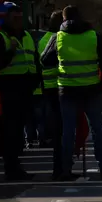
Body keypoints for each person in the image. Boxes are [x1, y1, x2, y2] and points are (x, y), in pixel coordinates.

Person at [40, 5, 102, 181]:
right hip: (91, 89)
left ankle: (65, 169)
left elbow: (45, 59)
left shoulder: (58, 37)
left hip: (67, 89)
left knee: (68, 131)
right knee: (97, 130)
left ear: (63, 19)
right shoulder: (94, 36)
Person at [0, 3, 42, 181]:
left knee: (19, 129)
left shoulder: (27, 36)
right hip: (10, 88)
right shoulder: (0, 38)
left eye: (21, 18)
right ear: (8, 19)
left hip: (25, 89)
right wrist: (10, 51)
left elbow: (35, 60)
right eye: (15, 18)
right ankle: (11, 167)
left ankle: (17, 166)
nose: (19, 22)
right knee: (11, 130)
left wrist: (36, 81)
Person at [36, 12, 63, 176]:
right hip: (61, 85)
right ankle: (61, 167)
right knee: (61, 129)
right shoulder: (60, 38)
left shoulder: (43, 39)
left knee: (49, 122)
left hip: (46, 86)